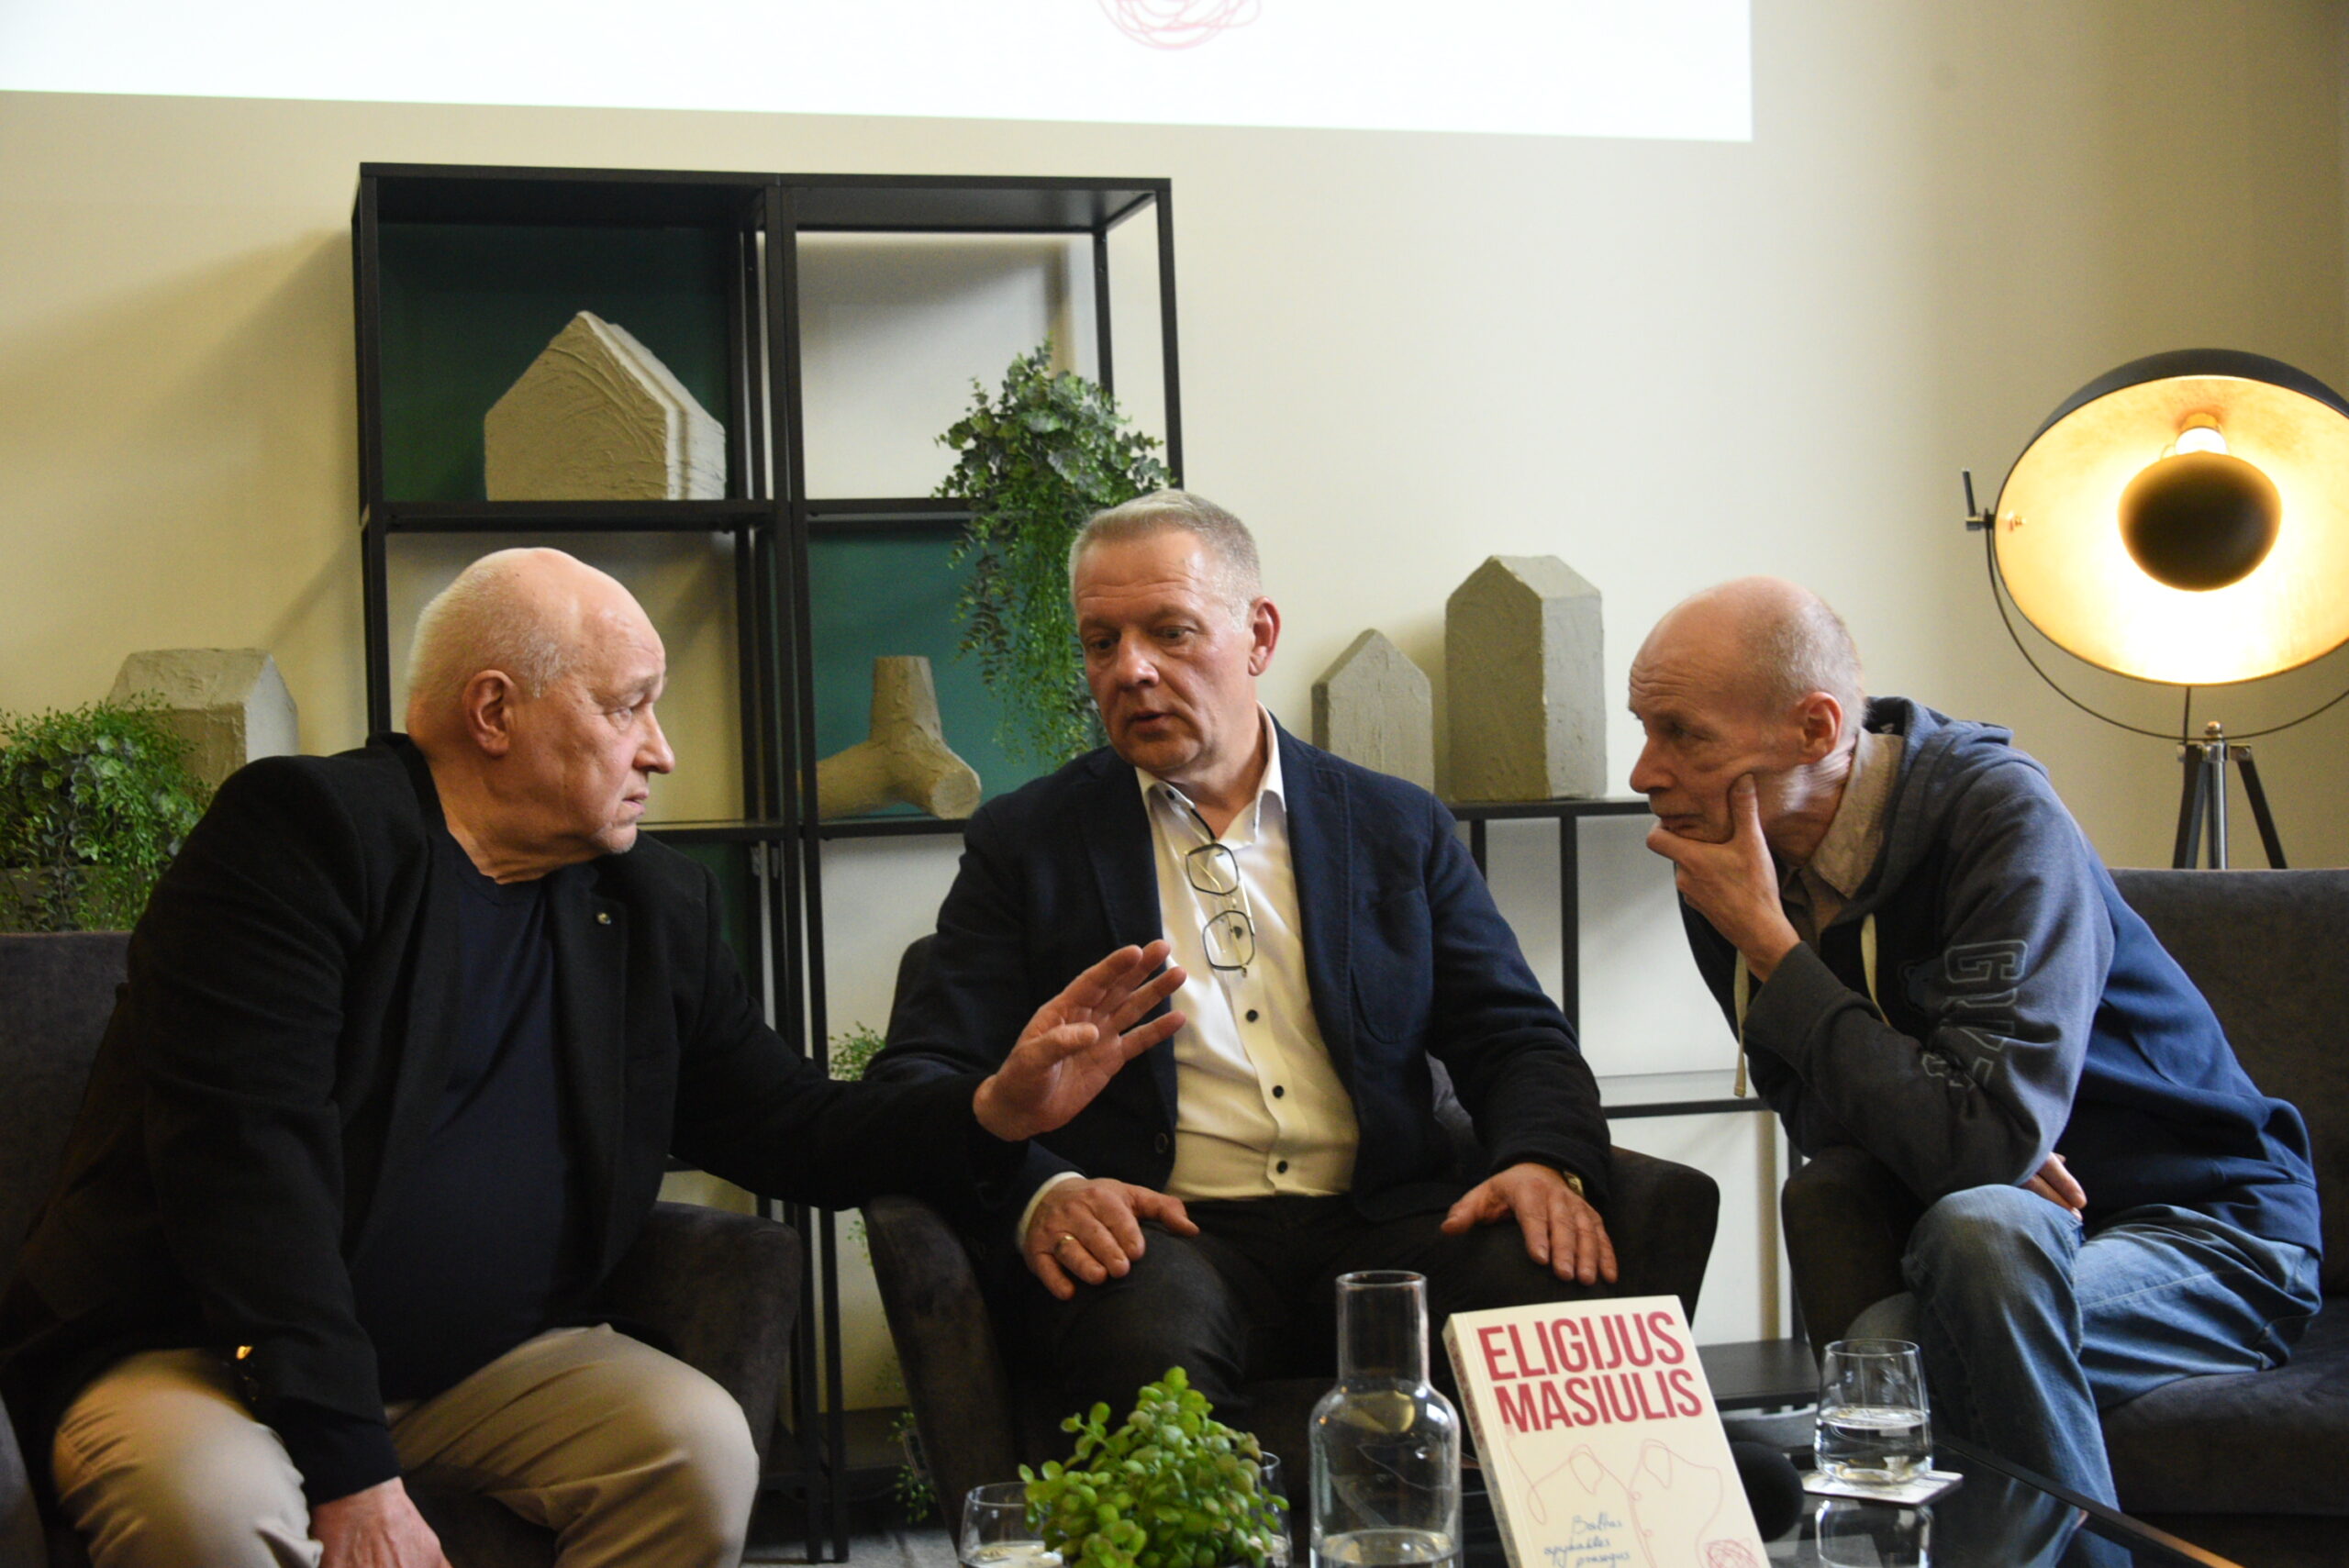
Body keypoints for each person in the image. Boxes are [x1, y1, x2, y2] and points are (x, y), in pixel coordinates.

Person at [0, 548, 1188, 1568]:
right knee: (217, 1514)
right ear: (494, 711)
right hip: (204, 1352)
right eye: (629, 708)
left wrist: (992, 1108)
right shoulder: (305, 838)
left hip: (481, 1367)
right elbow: (244, 1168)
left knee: (694, 1447)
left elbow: (787, 1124)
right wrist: (351, 1470)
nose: (661, 751)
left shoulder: (650, 904)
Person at [873, 489, 1618, 1421]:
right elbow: (919, 1073)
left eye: (1170, 631)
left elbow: (1515, 1035)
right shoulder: (1027, 844)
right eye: (1102, 642)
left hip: (1390, 1217)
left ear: (1258, 635)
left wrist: (1545, 1161)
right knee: (1144, 1345)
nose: (1131, 669)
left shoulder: (1396, 826)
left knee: (1546, 1290)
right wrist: (1042, 1188)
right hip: (1166, 1231)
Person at [1628, 575, 2322, 1506]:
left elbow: (1981, 1143)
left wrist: (1778, 953)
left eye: (1683, 734)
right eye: (1644, 728)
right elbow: (1826, 1121)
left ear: (1816, 729)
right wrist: (1961, 1139)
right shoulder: (1729, 866)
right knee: (1952, 1230)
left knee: (1933, 1296)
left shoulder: (1998, 816)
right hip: (1992, 1245)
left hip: (2205, 1231)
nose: (1645, 772)